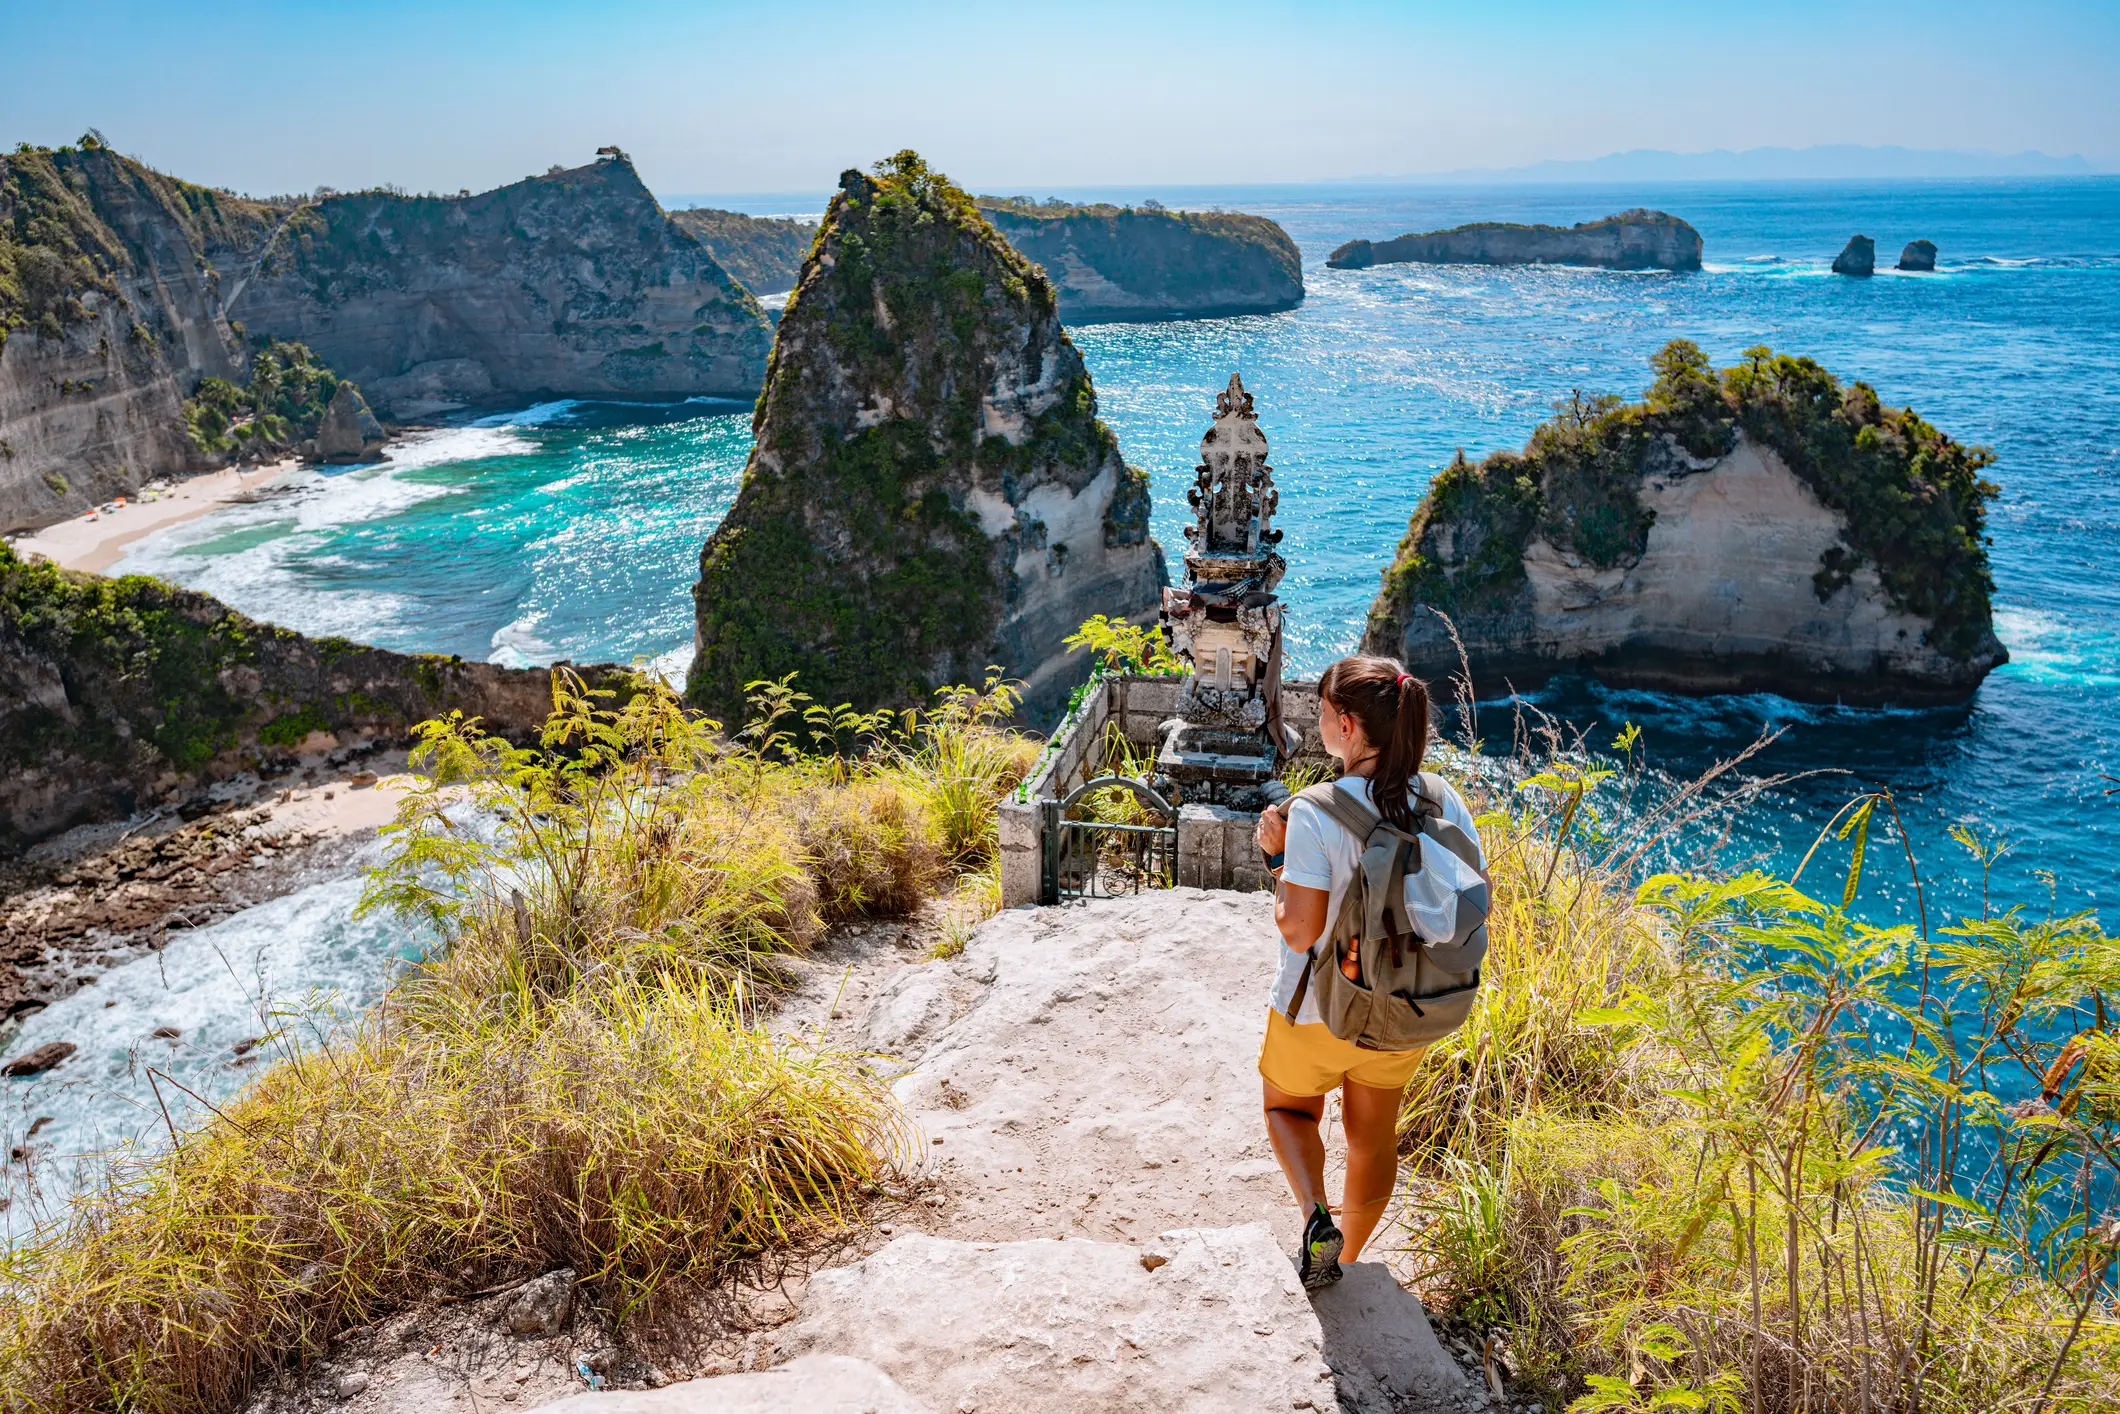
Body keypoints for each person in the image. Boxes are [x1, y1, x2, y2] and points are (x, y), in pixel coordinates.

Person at [1252, 654, 1484, 1290]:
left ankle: (1315, 1218)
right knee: (1373, 1136)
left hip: (1319, 1008)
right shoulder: (1444, 800)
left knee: (1289, 1111)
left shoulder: (1315, 811)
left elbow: (1299, 929)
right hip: (1408, 1005)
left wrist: (1276, 861)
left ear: (1347, 726)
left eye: (1323, 714)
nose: (1318, 721)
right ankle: (1348, 1264)